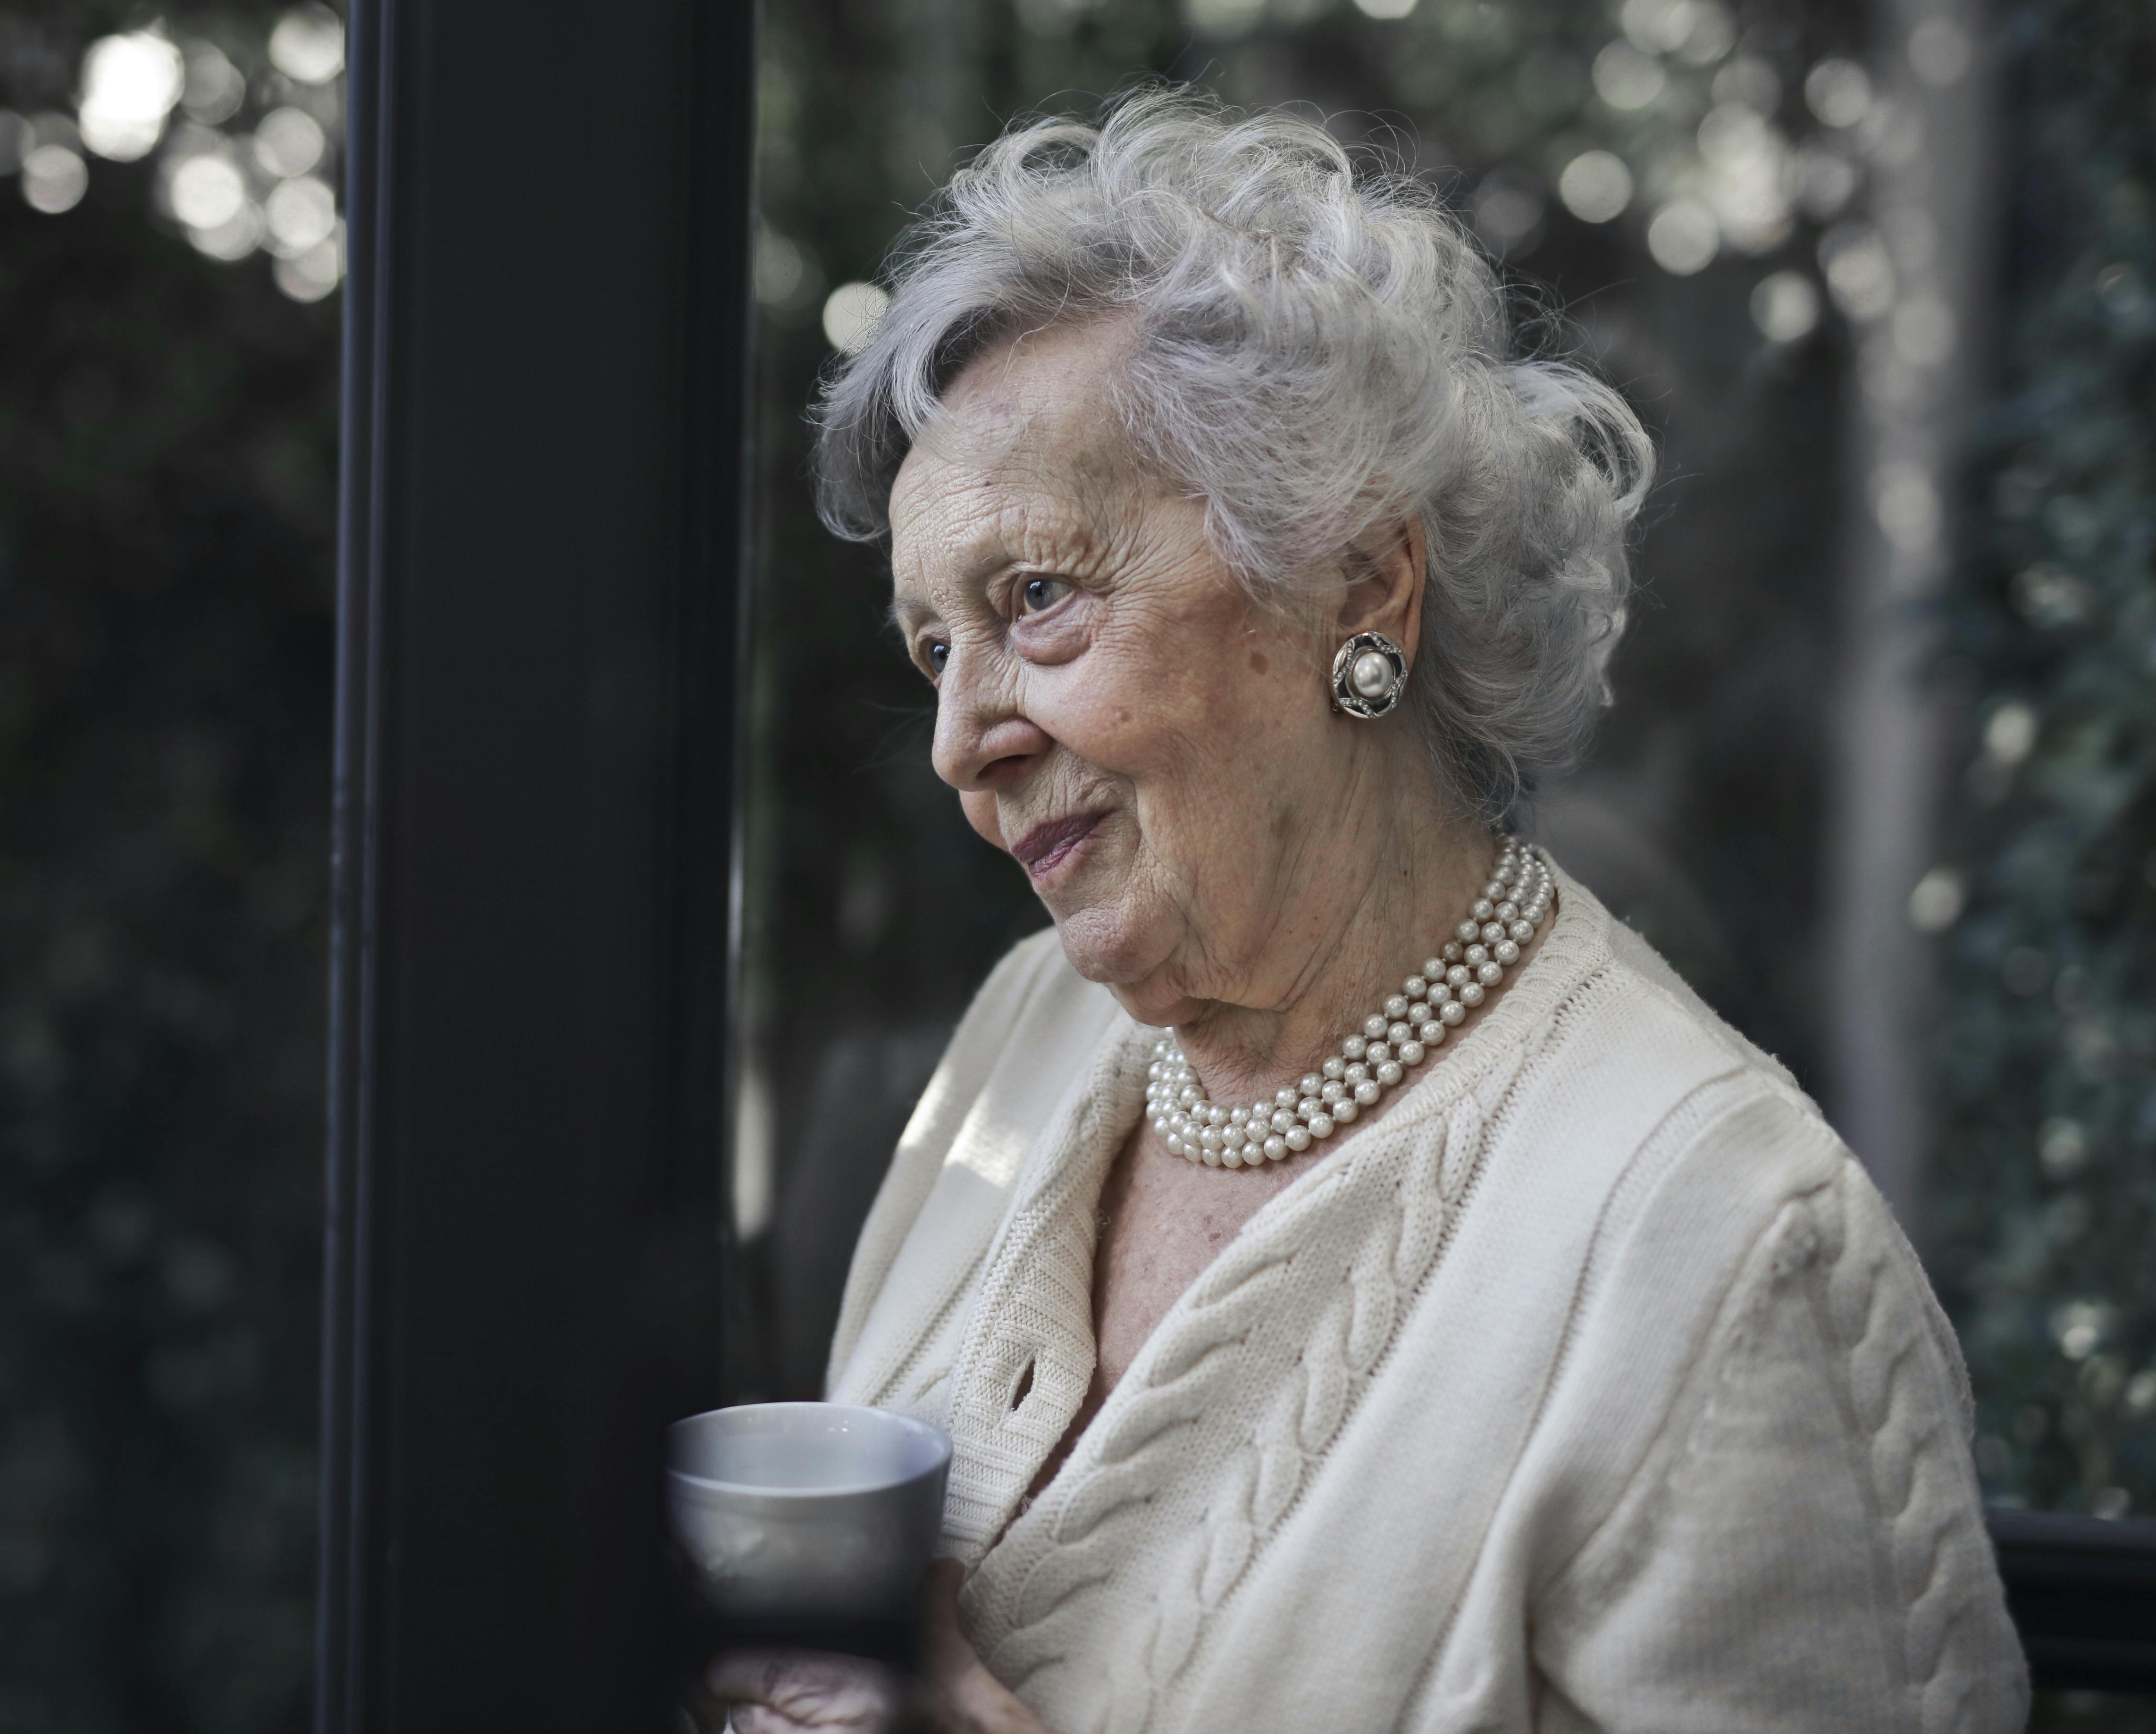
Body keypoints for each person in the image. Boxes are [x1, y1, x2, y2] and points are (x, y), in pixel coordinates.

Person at [715, 93, 2027, 1734]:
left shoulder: (1726, 1254)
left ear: (1359, 587)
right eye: (931, 648)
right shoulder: (1019, 1039)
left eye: (1036, 599)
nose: (956, 739)